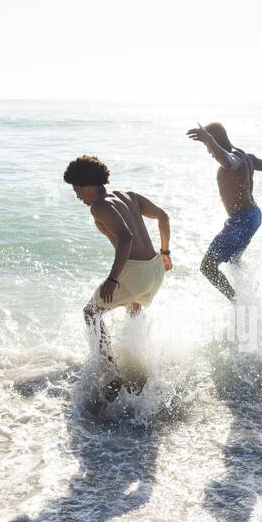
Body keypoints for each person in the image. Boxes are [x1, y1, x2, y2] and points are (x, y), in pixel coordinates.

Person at [63, 155, 172, 388]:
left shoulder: (99, 206)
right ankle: (140, 363)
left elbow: (126, 239)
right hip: (155, 268)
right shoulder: (127, 195)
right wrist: (165, 252)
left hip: (137, 272)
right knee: (133, 307)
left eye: (77, 190)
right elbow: (163, 216)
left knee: (91, 312)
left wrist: (112, 279)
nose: (77, 196)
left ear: (86, 185)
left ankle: (111, 372)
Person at [186, 121, 262, 299]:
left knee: (208, 266)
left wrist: (209, 139)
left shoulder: (232, 160)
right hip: (254, 216)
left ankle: (238, 302)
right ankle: (249, 295)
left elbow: (227, 161)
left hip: (242, 220)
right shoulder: (247, 158)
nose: (208, 151)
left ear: (216, 141)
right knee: (234, 261)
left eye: (208, 146)